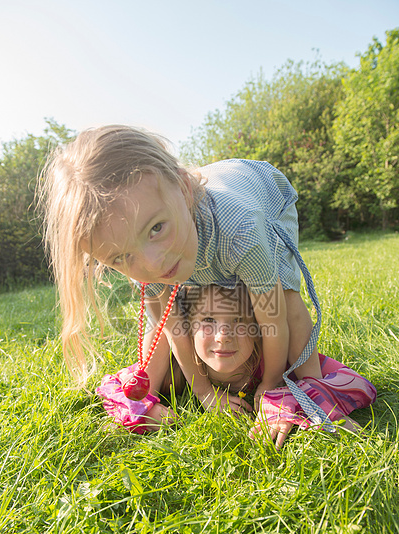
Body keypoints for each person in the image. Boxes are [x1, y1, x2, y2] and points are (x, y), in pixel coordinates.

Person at [40, 125, 335, 428]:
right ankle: (141, 400)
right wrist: (205, 392)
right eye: (120, 257)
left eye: (157, 228)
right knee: (165, 316)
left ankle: (315, 391)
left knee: (283, 298)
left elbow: (273, 319)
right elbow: (174, 329)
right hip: (204, 226)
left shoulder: (242, 232)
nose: (153, 264)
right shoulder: (134, 244)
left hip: (266, 194)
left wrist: (270, 385)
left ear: (183, 189)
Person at [96, 284, 377, 448]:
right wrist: (145, 409)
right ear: (187, 329)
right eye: (208, 321)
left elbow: (356, 382)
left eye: (239, 322)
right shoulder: (176, 370)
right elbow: (113, 386)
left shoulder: (273, 364)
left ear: (259, 329)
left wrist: (284, 400)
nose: (223, 335)